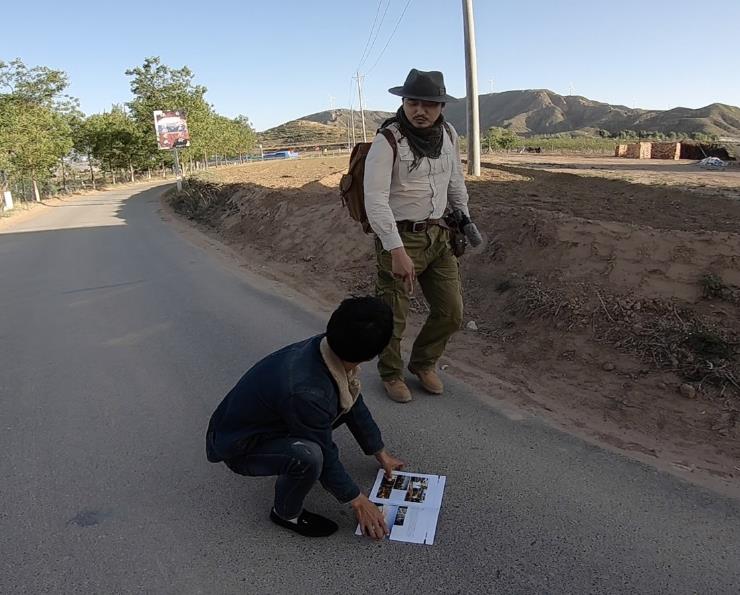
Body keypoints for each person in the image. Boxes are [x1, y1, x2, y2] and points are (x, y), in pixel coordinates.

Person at [205, 296, 405, 538]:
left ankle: (286, 455)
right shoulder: (308, 392)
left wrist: (380, 452)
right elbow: (325, 452)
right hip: (240, 446)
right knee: (310, 456)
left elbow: (352, 401)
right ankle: (285, 513)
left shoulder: (328, 345)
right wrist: (358, 500)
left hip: (261, 421)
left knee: (330, 413)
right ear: (372, 355)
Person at [363, 68, 471, 403]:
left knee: (451, 311)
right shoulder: (388, 140)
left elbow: (455, 180)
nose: (419, 110)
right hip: (400, 237)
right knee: (394, 315)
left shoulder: (449, 134)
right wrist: (396, 250)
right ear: (404, 102)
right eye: (412, 102)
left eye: (429, 104)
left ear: (441, 107)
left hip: (439, 234)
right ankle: (391, 374)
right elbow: (375, 200)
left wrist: (464, 218)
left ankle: (423, 363)